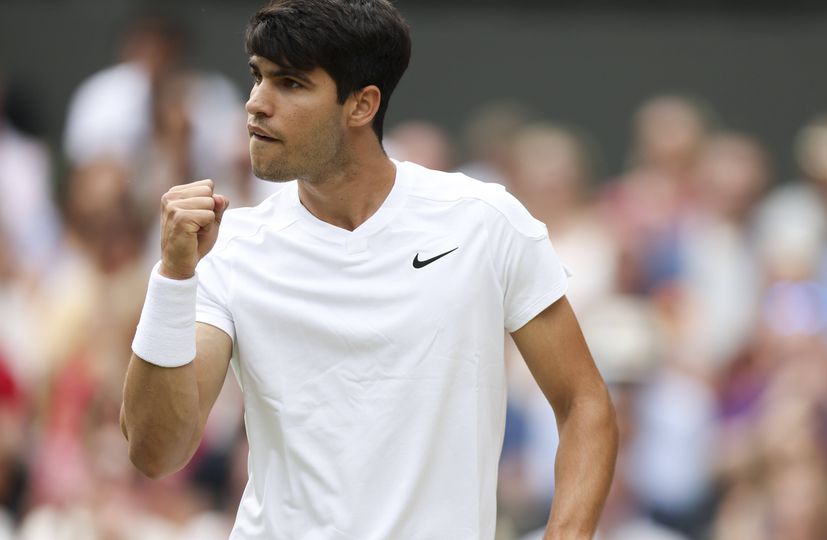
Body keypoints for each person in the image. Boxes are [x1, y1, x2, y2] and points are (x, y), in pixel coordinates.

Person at [119, 1, 618, 539]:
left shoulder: (484, 222)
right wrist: (173, 278)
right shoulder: (228, 249)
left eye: (289, 83)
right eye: (256, 77)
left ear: (361, 105)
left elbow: (585, 405)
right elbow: (157, 451)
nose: (255, 105)